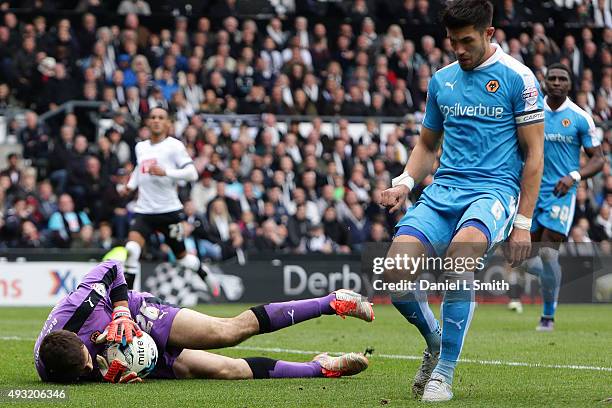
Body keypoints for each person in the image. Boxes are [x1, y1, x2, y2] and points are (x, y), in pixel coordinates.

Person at [379, 0, 544, 402]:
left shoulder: (518, 79)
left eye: (466, 41)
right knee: (393, 275)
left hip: (494, 192)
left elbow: (535, 155)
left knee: (459, 258)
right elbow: (427, 144)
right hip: (443, 190)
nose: (458, 49)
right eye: (452, 41)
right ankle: (435, 344)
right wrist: (404, 181)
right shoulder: (442, 80)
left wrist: (523, 223)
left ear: (489, 34)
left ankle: (445, 373)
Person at [34, 260, 374, 383]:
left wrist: (120, 311)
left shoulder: (78, 307)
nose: (87, 369)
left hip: (138, 315)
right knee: (224, 370)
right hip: (127, 345)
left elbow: (111, 267)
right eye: (84, 372)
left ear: (78, 339)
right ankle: (320, 368)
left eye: (86, 362)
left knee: (226, 332)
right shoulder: (54, 370)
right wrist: (112, 369)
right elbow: (87, 367)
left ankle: (331, 302)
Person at [507, 63, 604, 331]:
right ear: (545, 82)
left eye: (563, 78)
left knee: (548, 253)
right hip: (530, 191)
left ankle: (548, 316)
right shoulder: (532, 112)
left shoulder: (580, 117)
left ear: (570, 85)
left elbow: (598, 158)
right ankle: (552, 280)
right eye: (553, 78)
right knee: (520, 258)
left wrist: (574, 176)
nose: (557, 82)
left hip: (560, 193)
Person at [120, 106, 206, 290]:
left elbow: (192, 173)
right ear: (148, 122)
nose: (156, 120)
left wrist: (165, 172)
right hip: (144, 210)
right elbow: (139, 168)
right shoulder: (141, 147)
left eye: (161, 117)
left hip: (169, 211)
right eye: (153, 117)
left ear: (167, 123)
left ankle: (201, 270)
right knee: (132, 250)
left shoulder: (174, 146)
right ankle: (127, 300)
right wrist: (130, 186)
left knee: (183, 259)